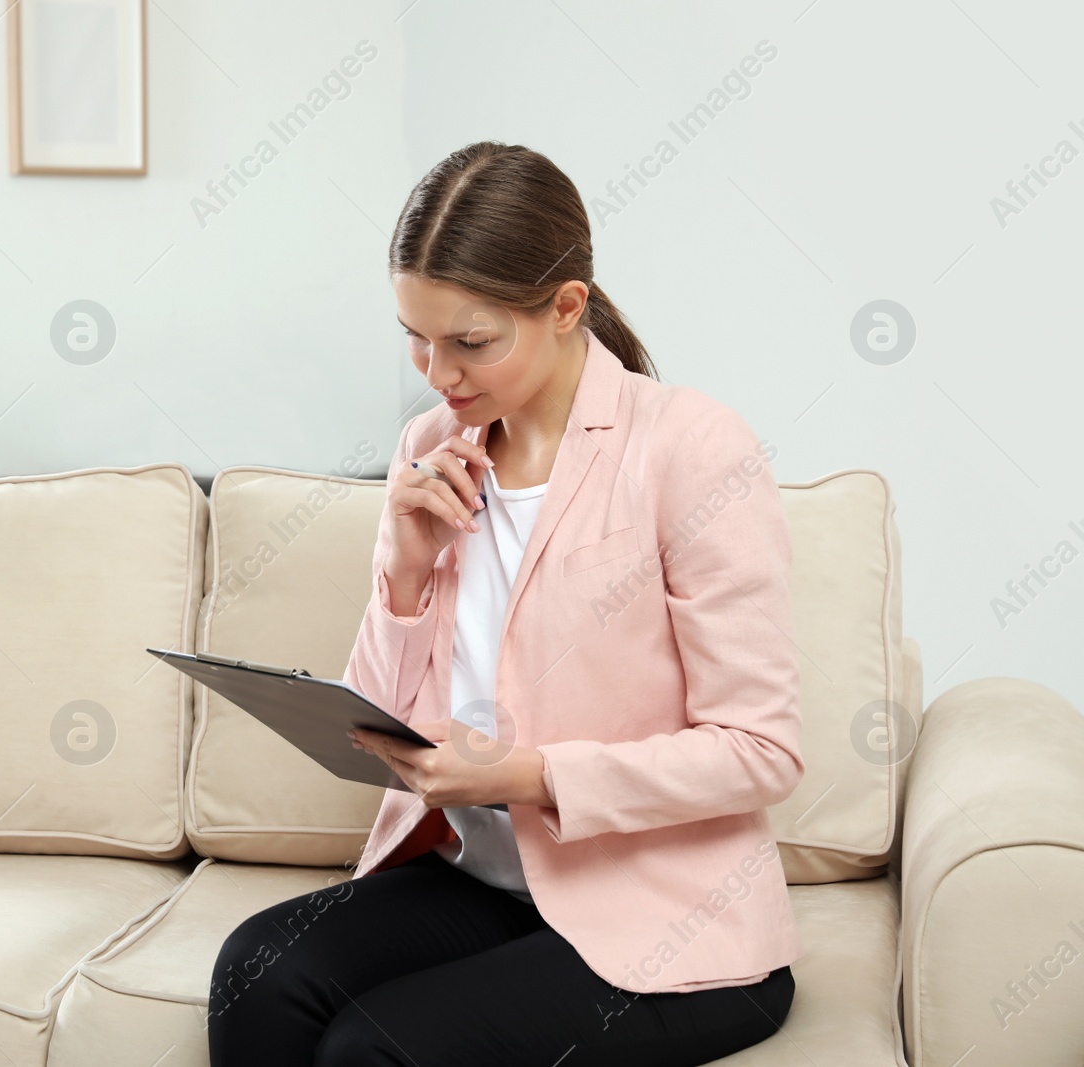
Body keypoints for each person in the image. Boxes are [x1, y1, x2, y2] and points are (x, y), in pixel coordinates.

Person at [207, 141, 803, 1066]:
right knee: (256, 971)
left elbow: (760, 751)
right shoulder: (433, 444)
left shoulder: (689, 448)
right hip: (483, 880)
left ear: (567, 306)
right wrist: (404, 572)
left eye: (470, 341)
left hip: (664, 911)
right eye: (417, 336)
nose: (437, 372)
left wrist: (525, 775)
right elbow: (386, 728)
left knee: (373, 1049)